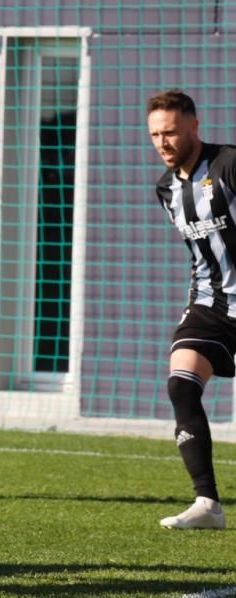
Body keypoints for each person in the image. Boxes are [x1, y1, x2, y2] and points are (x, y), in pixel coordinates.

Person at [148, 88, 231, 529]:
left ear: (195, 127)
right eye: (156, 135)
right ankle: (207, 505)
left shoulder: (229, 165)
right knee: (181, 384)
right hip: (210, 304)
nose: (163, 142)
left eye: (172, 133)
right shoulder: (165, 189)